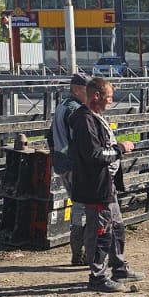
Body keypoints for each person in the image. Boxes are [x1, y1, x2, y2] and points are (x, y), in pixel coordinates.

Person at [68, 77, 144, 292]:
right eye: (109, 97)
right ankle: (98, 276)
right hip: (95, 185)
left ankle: (118, 267)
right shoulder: (84, 120)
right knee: (101, 230)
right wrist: (120, 149)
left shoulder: (95, 117)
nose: (111, 101)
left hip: (105, 183)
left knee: (116, 226)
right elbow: (93, 154)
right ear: (97, 96)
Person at [49, 73, 91, 265]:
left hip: (62, 161)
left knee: (77, 206)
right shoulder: (75, 110)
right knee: (82, 209)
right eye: (86, 90)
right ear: (76, 90)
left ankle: (77, 253)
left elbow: (50, 136)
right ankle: (80, 253)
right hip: (76, 164)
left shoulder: (62, 106)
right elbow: (82, 140)